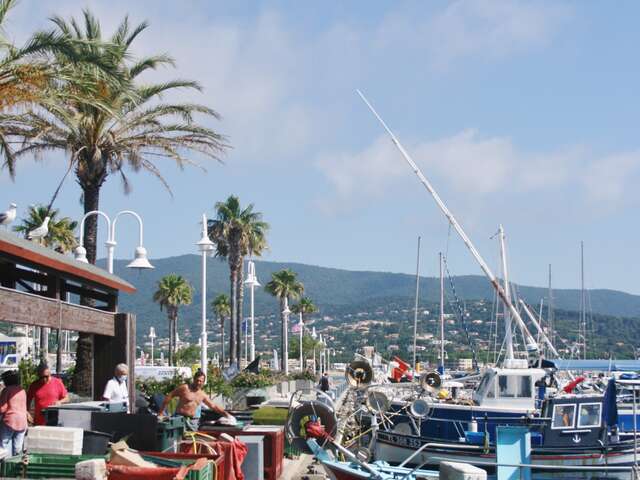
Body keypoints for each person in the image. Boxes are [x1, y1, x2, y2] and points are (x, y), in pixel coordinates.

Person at [159, 370, 231, 431]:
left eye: (201, 381)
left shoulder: (202, 395)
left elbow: (213, 406)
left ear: (203, 382)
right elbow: (170, 395)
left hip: (193, 422)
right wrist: (161, 413)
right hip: (180, 419)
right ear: (194, 379)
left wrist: (226, 414)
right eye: (197, 380)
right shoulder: (185, 388)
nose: (198, 383)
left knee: (191, 441)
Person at [0, 370, 28, 455]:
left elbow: (2, 409)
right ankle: (16, 465)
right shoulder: (22, 390)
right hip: (23, 422)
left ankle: (4, 466)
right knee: (17, 448)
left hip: (10, 421)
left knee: (4, 446)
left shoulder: (7, 390)